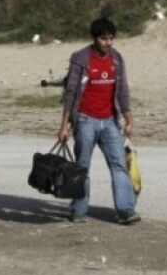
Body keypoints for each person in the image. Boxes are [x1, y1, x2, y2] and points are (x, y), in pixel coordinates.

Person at [58, 17, 140, 225]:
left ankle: (125, 209)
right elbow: (70, 94)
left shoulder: (117, 60)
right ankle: (78, 208)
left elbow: (122, 92)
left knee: (119, 165)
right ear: (95, 38)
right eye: (104, 39)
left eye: (111, 39)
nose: (108, 43)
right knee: (82, 167)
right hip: (85, 120)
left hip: (110, 121)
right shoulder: (80, 59)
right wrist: (64, 126)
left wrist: (129, 119)